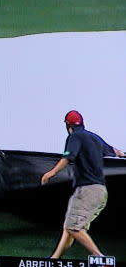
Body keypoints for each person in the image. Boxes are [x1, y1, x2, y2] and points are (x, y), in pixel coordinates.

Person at [41, 110, 125, 258]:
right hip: (99, 192)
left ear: (68, 126)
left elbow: (68, 157)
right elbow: (116, 152)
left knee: (74, 227)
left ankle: (100, 258)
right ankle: (53, 260)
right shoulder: (94, 137)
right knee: (69, 227)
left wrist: (51, 173)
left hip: (87, 190)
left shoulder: (75, 136)